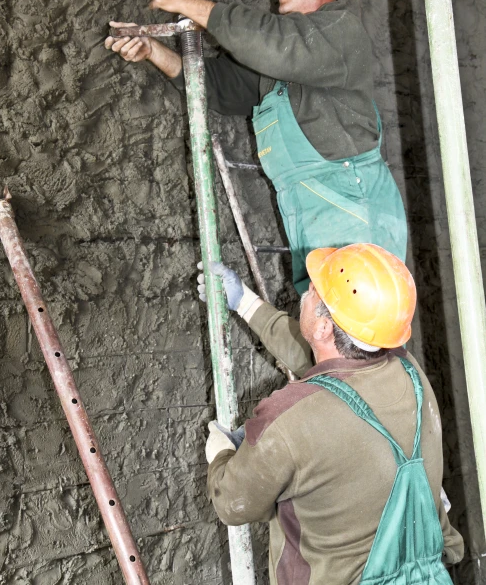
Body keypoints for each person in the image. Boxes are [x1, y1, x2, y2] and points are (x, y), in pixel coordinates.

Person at [105, 0, 407, 293]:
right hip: (308, 214)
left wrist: (188, 3)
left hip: (353, 210)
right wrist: (154, 51)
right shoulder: (283, 61)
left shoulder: (341, 30)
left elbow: (274, 43)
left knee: (362, 332)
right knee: (326, 335)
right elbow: (217, 87)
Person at [199, 247, 464, 584]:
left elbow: (234, 503)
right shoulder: (411, 374)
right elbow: (329, 365)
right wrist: (245, 303)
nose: (306, 293)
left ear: (324, 328)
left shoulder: (291, 417)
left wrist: (220, 452)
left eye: (312, 291)